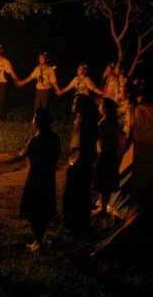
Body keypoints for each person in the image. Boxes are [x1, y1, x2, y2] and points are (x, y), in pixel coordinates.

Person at [7, 108, 61, 253]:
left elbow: (20, 156)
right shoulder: (55, 138)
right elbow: (56, 157)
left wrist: (0, 163)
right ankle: (39, 240)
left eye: (34, 118)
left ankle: (39, 242)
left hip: (36, 177)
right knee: (43, 209)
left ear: (37, 122)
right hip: (49, 177)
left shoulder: (35, 140)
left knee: (33, 210)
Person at [62, 94, 99, 238]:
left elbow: (80, 145)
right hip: (85, 162)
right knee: (82, 196)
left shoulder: (83, 122)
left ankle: (76, 227)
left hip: (79, 163)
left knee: (72, 196)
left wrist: (73, 162)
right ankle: (82, 225)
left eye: (75, 102)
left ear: (81, 106)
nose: (73, 105)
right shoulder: (87, 120)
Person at [92, 98, 122, 218]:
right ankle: (103, 206)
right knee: (107, 182)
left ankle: (103, 208)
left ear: (104, 109)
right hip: (113, 154)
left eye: (101, 106)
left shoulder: (103, 123)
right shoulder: (115, 122)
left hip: (105, 154)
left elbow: (97, 137)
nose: (99, 108)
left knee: (103, 181)